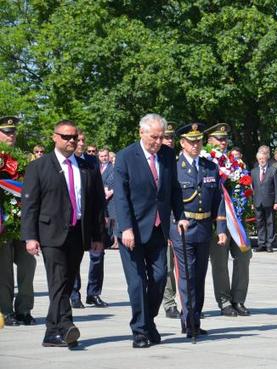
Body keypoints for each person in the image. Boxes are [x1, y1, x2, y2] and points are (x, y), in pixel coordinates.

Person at [21, 120, 106, 347]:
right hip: (50, 233)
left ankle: (53, 330)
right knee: (58, 279)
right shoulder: (39, 167)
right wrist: (30, 236)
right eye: (66, 137)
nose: (71, 141)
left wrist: (98, 236)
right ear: (54, 137)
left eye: (74, 137)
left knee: (67, 280)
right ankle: (66, 325)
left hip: (78, 232)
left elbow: (98, 204)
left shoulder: (88, 167)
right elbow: (30, 205)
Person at [113, 113, 188, 348]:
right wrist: (125, 228)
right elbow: (121, 197)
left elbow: (173, 189)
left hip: (158, 228)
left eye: (161, 137)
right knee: (137, 282)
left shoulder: (167, 155)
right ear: (141, 132)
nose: (158, 142)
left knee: (158, 278)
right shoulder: (126, 157)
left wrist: (181, 216)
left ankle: (148, 321)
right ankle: (140, 331)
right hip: (132, 230)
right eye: (154, 137)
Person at [169, 123, 227, 336]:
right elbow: (167, 201)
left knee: (200, 275)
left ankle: (195, 317)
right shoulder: (174, 168)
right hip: (183, 229)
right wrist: (171, 227)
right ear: (182, 143)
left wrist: (220, 228)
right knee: (187, 276)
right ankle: (189, 321)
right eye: (191, 141)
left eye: (198, 141)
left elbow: (218, 200)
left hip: (203, 228)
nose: (195, 145)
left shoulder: (209, 167)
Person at [205, 123, 253, 318]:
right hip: (218, 221)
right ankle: (224, 301)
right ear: (209, 141)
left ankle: (238, 299)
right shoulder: (206, 160)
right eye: (219, 139)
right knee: (220, 262)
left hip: (237, 219)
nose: (223, 142)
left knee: (244, 256)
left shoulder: (234, 162)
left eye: (225, 139)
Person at [0, 116, 37, 326]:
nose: (11, 135)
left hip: (23, 221)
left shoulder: (26, 158)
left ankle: (24, 309)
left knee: (27, 265)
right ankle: (6, 310)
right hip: (2, 223)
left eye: (13, 132)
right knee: (3, 269)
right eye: (6, 132)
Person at [71, 130, 108, 309]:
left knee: (98, 255)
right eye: (78, 140)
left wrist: (104, 217)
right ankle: (74, 293)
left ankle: (93, 293)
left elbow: (99, 193)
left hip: (93, 217)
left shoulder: (92, 161)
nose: (81, 143)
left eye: (83, 140)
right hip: (76, 218)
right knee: (74, 258)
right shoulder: (67, 162)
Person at [161, 122, 180, 319]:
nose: (168, 141)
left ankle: (187, 302)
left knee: (184, 266)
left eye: (171, 138)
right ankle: (169, 302)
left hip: (181, 220)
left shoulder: (179, 161)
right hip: (164, 222)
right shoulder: (158, 162)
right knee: (167, 266)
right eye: (166, 137)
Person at [251, 151, 277, 252]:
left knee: (270, 222)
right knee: (259, 223)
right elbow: (252, 188)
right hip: (257, 201)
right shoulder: (253, 171)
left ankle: (269, 244)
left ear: (267, 158)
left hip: (270, 201)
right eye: (259, 159)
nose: (261, 160)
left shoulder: (273, 170)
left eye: (263, 158)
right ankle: (261, 243)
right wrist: (252, 202)